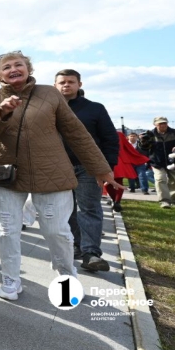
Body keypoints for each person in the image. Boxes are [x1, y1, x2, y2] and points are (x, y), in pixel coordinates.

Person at [0, 52, 118, 301]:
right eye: (6, 67)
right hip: (7, 173)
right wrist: (1, 113)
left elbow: (76, 132)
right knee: (6, 230)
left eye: (19, 64)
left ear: (28, 68)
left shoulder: (49, 93)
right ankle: (11, 279)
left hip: (52, 171)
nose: (13, 69)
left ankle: (66, 276)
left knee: (58, 231)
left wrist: (101, 168)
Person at [54, 69, 118, 272]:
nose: (66, 85)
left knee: (89, 209)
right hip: (58, 168)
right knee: (65, 211)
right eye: (62, 82)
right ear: (55, 86)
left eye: (71, 82)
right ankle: (76, 246)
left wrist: (106, 168)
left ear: (79, 85)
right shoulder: (49, 109)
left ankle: (91, 253)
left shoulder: (95, 109)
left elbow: (109, 139)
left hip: (88, 168)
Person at [144, 117, 175, 209]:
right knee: (160, 179)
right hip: (157, 161)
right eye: (160, 123)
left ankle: (173, 201)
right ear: (155, 124)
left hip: (174, 161)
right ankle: (164, 202)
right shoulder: (150, 134)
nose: (163, 125)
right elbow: (144, 148)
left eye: (164, 123)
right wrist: (142, 141)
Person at [105, 131, 149, 212]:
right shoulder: (119, 134)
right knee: (117, 182)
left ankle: (116, 201)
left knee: (109, 182)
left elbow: (127, 147)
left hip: (111, 160)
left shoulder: (117, 134)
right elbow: (128, 147)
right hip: (117, 160)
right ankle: (116, 202)